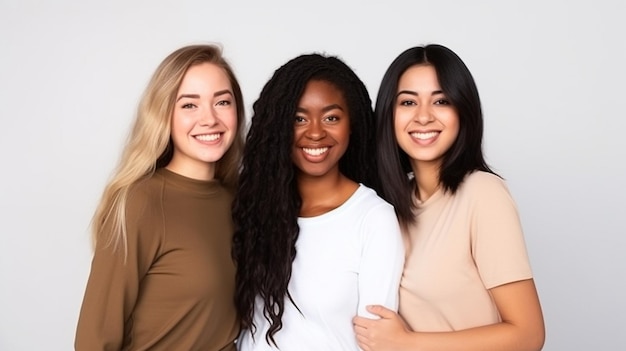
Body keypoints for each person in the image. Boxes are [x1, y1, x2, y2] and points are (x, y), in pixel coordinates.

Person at [352, 44, 545, 351]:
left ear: (462, 110)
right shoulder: (386, 207)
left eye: (440, 100)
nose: (424, 117)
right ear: (389, 114)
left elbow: (528, 335)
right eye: (408, 102)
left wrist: (408, 343)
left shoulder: (483, 194)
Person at [75, 44, 245, 351]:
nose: (209, 119)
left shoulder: (238, 202)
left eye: (222, 101)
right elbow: (94, 341)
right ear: (163, 114)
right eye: (189, 105)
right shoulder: (140, 203)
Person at [232, 53, 404, 351]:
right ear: (278, 127)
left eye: (331, 117)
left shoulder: (373, 218)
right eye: (299, 118)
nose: (314, 132)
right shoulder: (253, 209)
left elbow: (378, 342)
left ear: (353, 124)